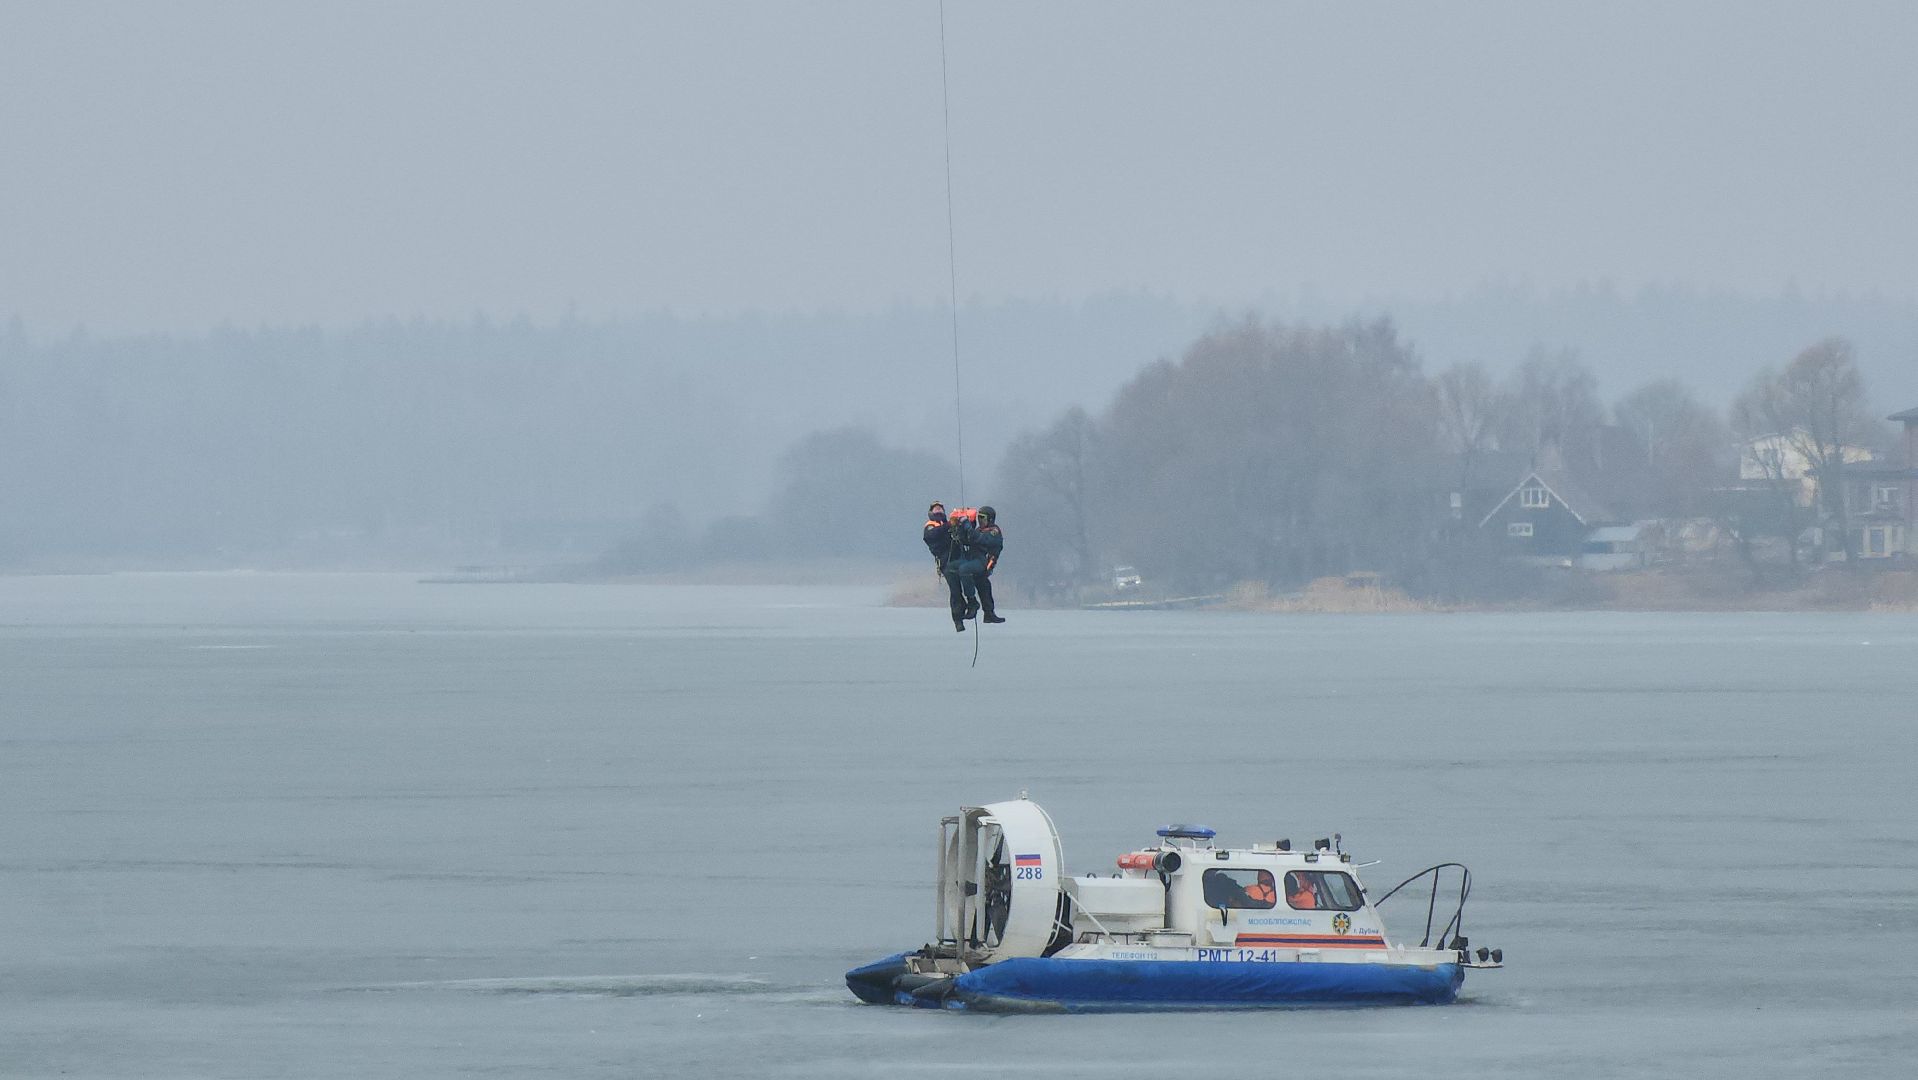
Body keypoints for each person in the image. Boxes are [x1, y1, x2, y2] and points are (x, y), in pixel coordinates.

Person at [945, 506, 1005, 629]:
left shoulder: (994, 532)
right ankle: (962, 601)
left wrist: (967, 526)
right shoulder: (979, 530)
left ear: (990, 519)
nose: (980, 520)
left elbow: (980, 540)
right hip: (973, 559)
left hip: (983, 561)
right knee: (950, 568)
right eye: (979, 518)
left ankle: (972, 601)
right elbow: (968, 540)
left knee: (965, 570)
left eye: (982, 518)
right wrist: (959, 530)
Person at [923, 502, 950, 580]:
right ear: (931, 512)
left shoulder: (946, 524)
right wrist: (948, 525)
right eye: (935, 508)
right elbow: (932, 534)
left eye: (940, 508)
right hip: (943, 557)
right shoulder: (930, 525)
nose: (938, 509)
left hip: (954, 555)